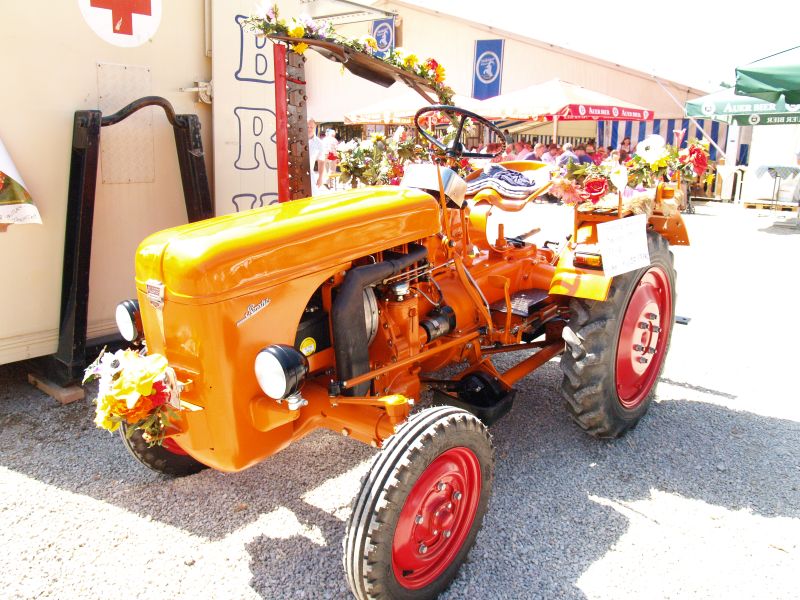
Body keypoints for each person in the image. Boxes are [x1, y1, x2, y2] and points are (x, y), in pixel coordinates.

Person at [307, 118, 324, 194]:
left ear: (315, 127)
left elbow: (321, 161)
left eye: (311, 127)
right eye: (307, 127)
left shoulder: (319, 143)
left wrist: (320, 177)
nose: (309, 129)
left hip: (310, 175)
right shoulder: (296, 140)